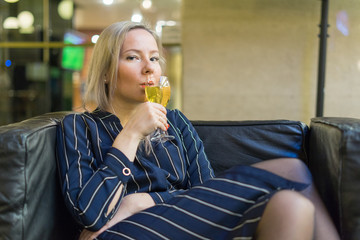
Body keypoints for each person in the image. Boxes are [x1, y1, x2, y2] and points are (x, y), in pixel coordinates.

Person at [56, 21, 340, 240]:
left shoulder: (176, 122)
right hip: (126, 233)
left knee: (292, 205)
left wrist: (140, 201)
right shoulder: (80, 126)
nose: (148, 69)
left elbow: (205, 194)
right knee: (291, 169)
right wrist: (130, 134)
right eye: (133, 57)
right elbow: (90, 214)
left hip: (188, 226)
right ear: (106, 72)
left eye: (154, 58)